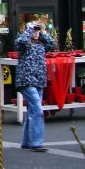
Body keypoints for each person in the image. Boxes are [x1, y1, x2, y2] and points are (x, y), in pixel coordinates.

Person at [15, 22, 56, 152]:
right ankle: (36, 142)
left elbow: (52, 44)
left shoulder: (41, 44)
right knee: (38, 110)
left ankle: (27, 141)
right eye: (34, 30)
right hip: (26, 81)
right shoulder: (24, 44)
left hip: (38, 81)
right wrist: (29, 30)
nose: (36, 33)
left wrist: (42, 32)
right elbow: (20, 41)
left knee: (32, 111)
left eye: (37, 31)